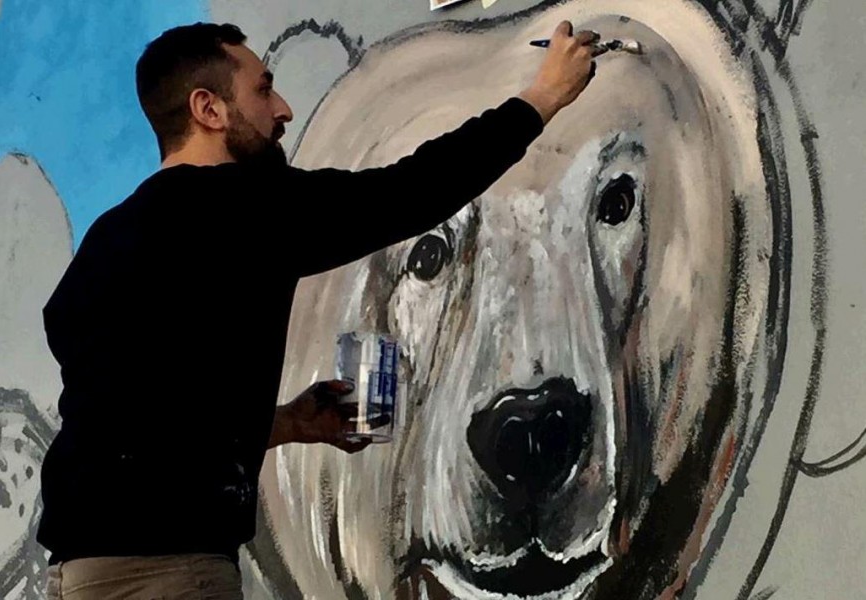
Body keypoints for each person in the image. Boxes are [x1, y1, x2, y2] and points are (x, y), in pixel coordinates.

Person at [38, 18, 597, 599]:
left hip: (79, 572)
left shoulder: (109, 239)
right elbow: (408, 193)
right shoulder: (242, 209)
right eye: (262, 89)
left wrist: (286, 423)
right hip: (169, 572)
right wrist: (543, 96)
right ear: (208, 108)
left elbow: (139, 416)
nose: (282, 109)